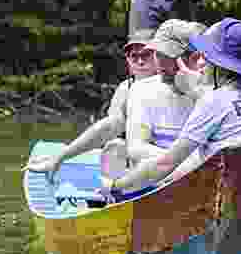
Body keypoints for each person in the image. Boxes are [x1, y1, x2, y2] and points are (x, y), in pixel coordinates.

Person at [101, 17, 241, 201]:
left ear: (222, 66)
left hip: (230, 196)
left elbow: (165, 164)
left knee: (156, 174)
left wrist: (116, 187)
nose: (201, 61)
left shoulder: (214, 100)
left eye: (207, 57)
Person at [23, 29, 158, 178]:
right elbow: (110, 128)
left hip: (165, 157)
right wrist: (61, 157)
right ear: (127, 60)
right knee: (115, 147)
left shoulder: (176, 83)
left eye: (146, 55)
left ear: (159, 55)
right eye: (134, 56)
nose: (140, 61)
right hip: (136, 161)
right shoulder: (125, 89)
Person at [124, 19, 208, 166]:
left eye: (169, 56)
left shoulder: (216, 95)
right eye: (157, 54)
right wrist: (186, 163)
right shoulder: (142, 90)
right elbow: (136, 148)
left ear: (196, 59)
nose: (160, 62)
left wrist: (197, 93)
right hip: (162, 178)